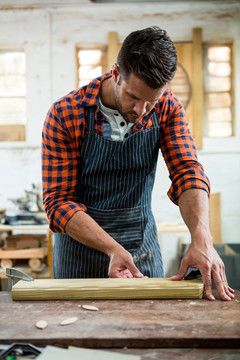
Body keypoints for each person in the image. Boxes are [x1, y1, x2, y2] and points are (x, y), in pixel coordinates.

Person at [42, 26, 234, 301]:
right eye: (133, 97)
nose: (141, 111)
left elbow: (187, 172)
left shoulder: (168, 107)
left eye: (151, 102)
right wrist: (112, 249)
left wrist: (202, 238)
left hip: (141, 252)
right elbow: (58, 202)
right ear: (116, 74)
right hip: (78, 258)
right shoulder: (65, 113)